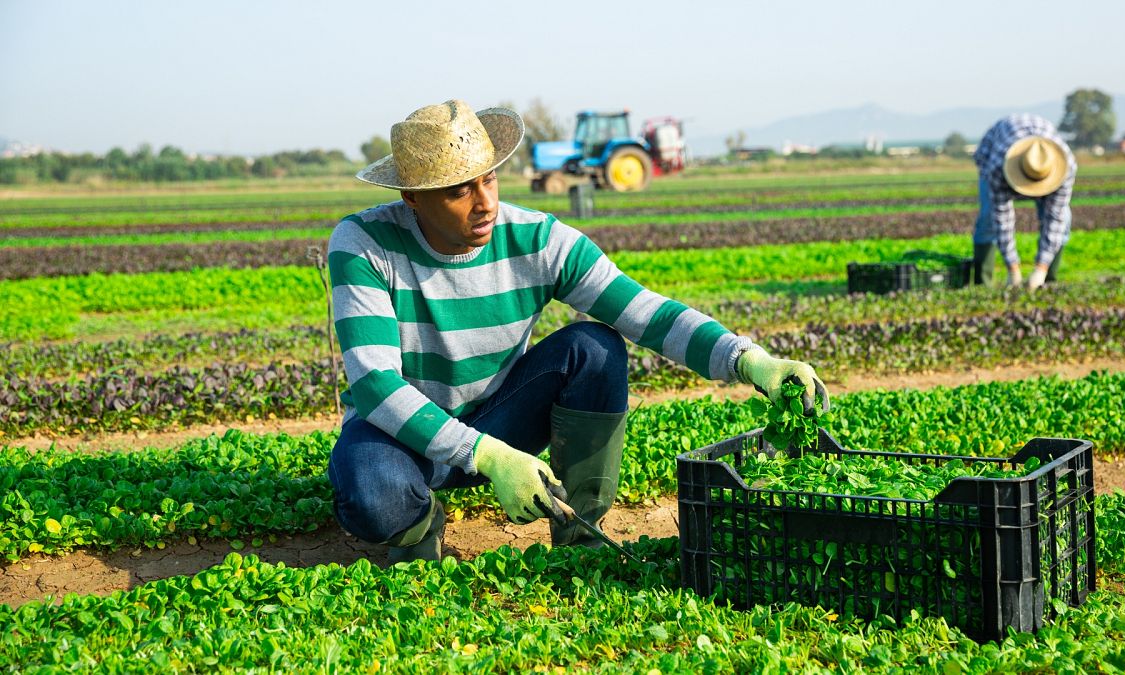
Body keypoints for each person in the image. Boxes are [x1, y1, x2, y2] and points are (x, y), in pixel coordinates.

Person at [325, 99, 829, 564]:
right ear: (413, 196)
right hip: (402, 435)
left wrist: (750, 360)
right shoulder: (366, 244)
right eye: (460, 191)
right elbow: (375, 384)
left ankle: (579, 527)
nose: (484, 203)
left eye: (490, 180)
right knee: (373, 495)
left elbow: (646, 314)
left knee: (594, 348)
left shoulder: (539, 240)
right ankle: (419, 526)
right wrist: (489, 456)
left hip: (498, 417)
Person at [971, 113, 1077, 290]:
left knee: (1063, 219)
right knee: (988, 218)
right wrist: (1013, 269)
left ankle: (1047, 279)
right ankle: (984, 283)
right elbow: (1002, 220)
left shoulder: (1066, 167)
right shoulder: (998, 168)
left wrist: (1040, 269)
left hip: (1043, 161)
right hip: (992, 153)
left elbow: (1055, 218)